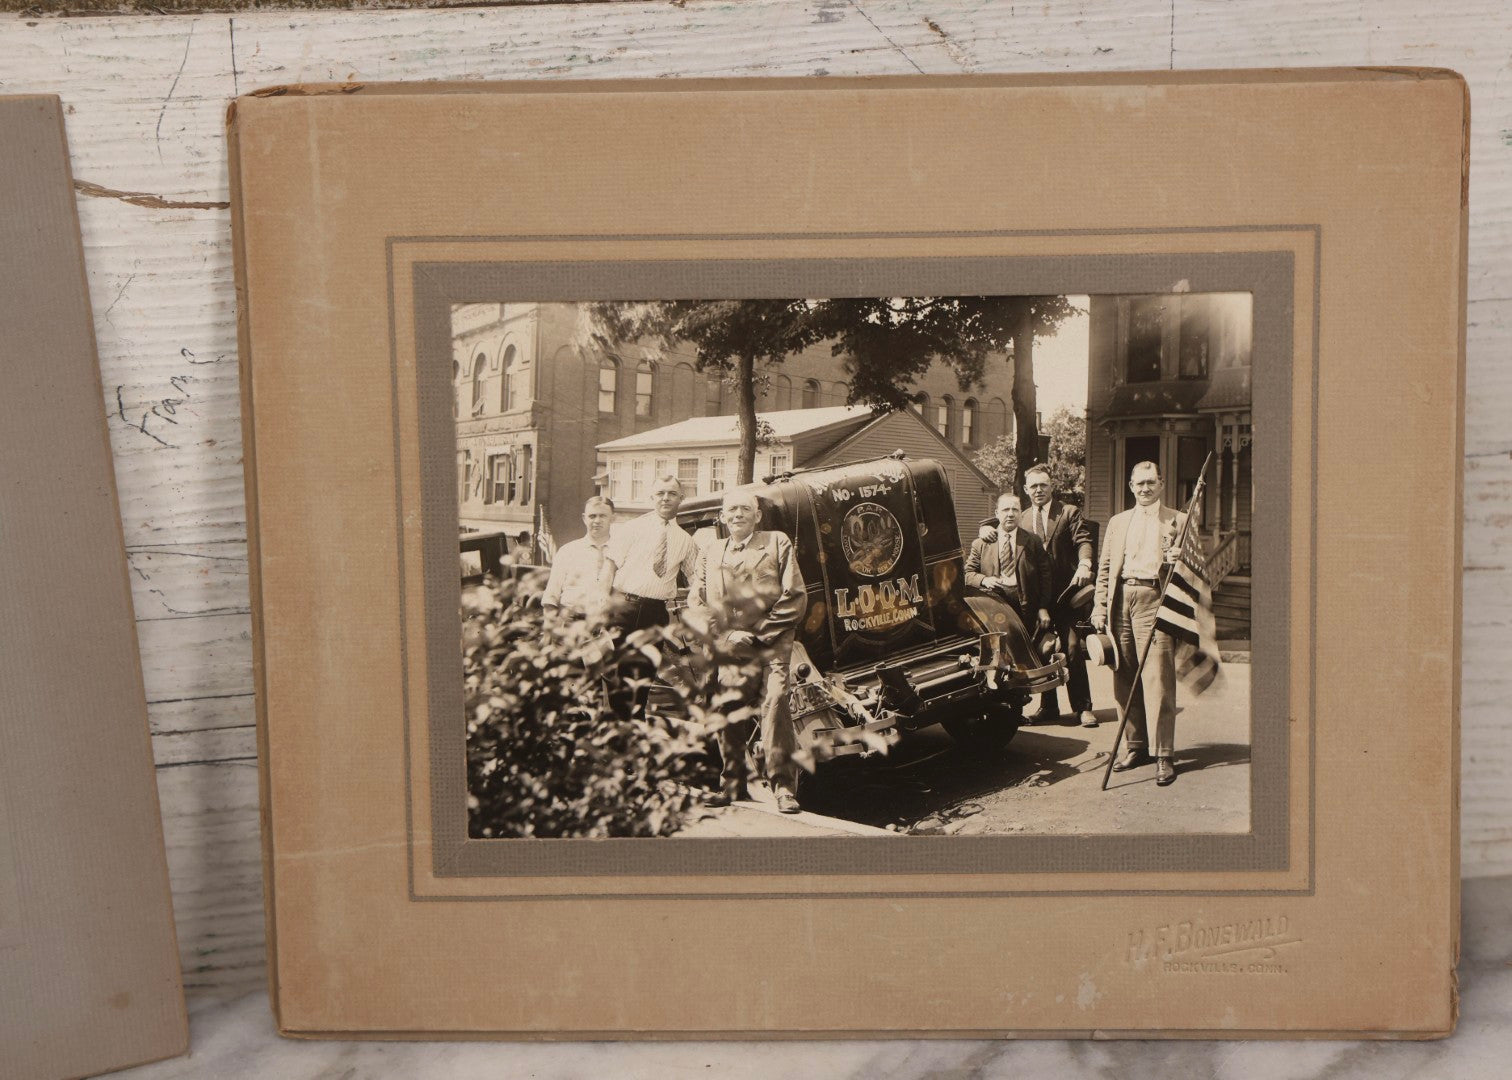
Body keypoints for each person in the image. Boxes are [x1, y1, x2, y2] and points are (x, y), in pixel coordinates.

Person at [685, 489, 807, 814]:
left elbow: (795, 595)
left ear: (758, 516)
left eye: (744, 509)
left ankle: (783, 787)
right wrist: (727, 635)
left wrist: (760, 634)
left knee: (776, 702)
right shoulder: (710, 552)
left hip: (772, 644)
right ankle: (732, 785)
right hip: (729, 644)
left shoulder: (776, 543)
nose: (737, 514)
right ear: (723, 517)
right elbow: (696, 602)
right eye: (731, 510)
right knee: (729, 708)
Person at [1092, 460, 1187, 787]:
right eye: (1139, 483)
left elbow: (1197, 572)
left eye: (1150, 482)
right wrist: (1099, 607)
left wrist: (1179, 561)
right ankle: (1136, 747)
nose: (1145, 488)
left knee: (1159, 679)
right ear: (1131, 486)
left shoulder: (1178, 520)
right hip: (1121, 600)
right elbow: (1105, 568)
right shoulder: (1118, 522)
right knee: (1124, 675)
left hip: (1155, 600)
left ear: (1161, 484)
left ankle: (1163, 754)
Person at [1020, 465, 1098, 727]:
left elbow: (1083, 540)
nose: (1038, 490)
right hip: (1036, 601)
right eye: (1033, 486)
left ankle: (1083, 708)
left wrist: (1085, 564)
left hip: (1065, 597)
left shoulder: (1068, 512)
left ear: (1051, 486)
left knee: (1073, 648)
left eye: (1043, 485)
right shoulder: (1022, 518)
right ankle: (1049, 707)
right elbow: (1004, 536)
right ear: (1026, 489)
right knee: (1042, 651)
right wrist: (988, 533)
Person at [599, 476, 700, 633]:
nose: (665, 498)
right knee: (616, 650)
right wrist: (601, 603)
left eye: (672, 493)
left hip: (656, 613)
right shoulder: (632, 527)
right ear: (652, 497)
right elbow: (609, 566)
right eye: (660, 493)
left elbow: (696, 578)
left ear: (681, 498)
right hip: (622, 608)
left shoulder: (686, 540)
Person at [964, 492, 1052, 634]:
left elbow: (1046, 577)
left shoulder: (1033, 541)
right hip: (993, 608)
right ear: (997, 513)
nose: (1010, 514)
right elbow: (967, 574)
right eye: (1005, 510)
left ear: (1021, 514)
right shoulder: (981, 544)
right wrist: (984, 580)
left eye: (1015, 510)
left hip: (1026, 609)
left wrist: (1043, 607)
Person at [540, 496, 615, 621]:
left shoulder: (620, 552)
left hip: (606, 623)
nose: (597, 521)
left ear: (612, 518)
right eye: (592, 516)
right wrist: (549, 627)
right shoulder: (568, 551)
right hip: (570, 621)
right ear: (584, 518)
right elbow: (551, 597)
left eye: (603, 516)